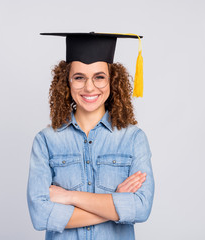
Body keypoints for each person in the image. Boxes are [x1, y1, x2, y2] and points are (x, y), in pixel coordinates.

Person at [27, 32, 154, 240]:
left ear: (113, 81)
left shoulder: (133, 139)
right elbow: (41, 216)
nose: (89, 87)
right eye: (79, 77)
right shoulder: (46, 141)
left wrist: (69, 197)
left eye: (99, 77)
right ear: (66, 82)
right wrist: (116, 203)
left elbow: (140, 208)